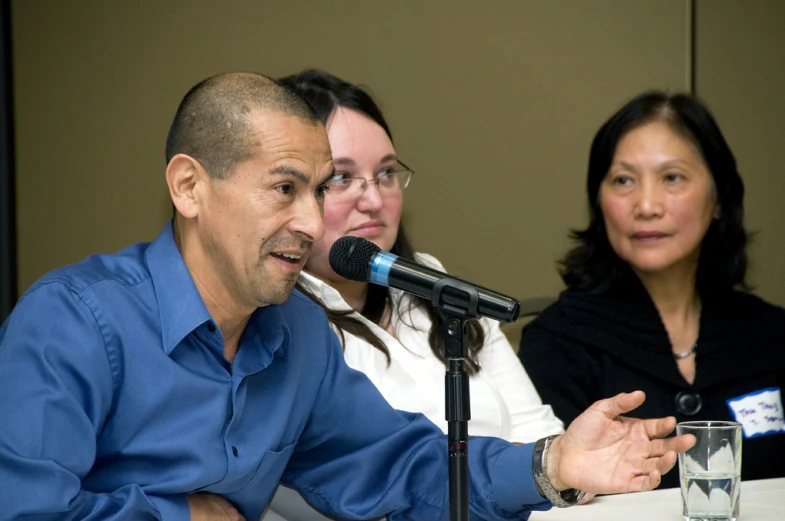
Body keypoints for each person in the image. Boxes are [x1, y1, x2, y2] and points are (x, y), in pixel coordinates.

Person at [0, 73, 693, 521]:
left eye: (318, 187)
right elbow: (24, 509)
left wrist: (552, 464)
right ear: (189, 188)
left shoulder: (294, 331)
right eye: (284, 187)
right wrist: (182, 515)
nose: (308, 220)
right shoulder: (74, 321)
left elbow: (403, 466)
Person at [264, 69, 565, 520]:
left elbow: (541, 433)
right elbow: (371, 488)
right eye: (342, 178)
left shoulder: (429, 279)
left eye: (385, 173)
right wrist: (525, 470)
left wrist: (546, 469)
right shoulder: (277, 319)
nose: (374, 199)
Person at [518, 90, 785, 490]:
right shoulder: (559, 342)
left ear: (718, 199)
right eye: (623, 180)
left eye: (672, 178)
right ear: (599, 201)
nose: (646, 204)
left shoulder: (771, 334)